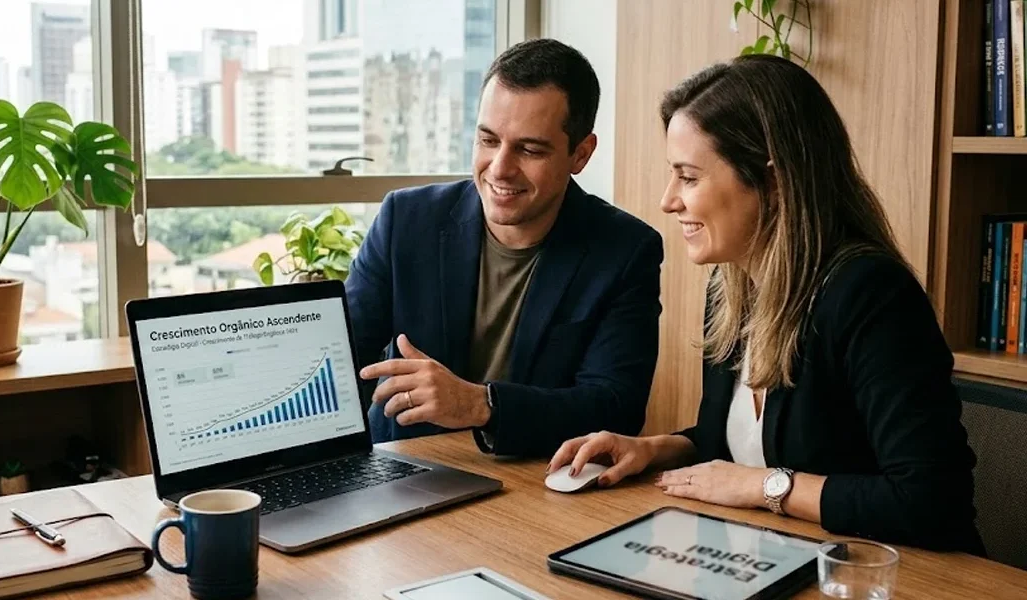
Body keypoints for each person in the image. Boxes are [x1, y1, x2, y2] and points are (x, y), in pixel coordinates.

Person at [548, 54, 984, 553]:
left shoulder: (872, 296)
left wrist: (763, 487)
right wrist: (650, 449)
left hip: (897, 575)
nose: (669, 200)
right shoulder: (731, 284)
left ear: (773, 183)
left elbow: (930, 500)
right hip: (778, 557)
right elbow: (730, 444)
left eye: (688, 177)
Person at [345, 38, 663, 457]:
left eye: (529, 149)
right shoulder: (405, 220)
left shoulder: (625, 250)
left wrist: (481, 405)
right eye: (488, 140)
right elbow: (343, 363)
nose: (499, 169)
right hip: (405, 475)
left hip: (536, 484)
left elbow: (616, 407)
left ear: (581, 154)